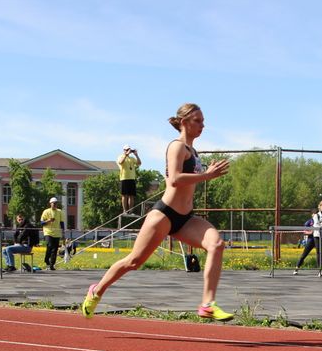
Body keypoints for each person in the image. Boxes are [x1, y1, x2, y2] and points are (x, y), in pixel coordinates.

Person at [81, 102, 233, 321]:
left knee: (217, 244)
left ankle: (207, 304)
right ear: (184, 122)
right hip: (164, 214)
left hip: (185, 218)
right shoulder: (176, 146)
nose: (203, 125)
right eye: (198, 121)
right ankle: (96, 291)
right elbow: (174, 180)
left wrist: (205, 173)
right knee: (134, 261)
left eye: (203, 121)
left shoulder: (193, 151)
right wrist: (207, 175)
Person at [40, 197, 65, 271]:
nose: (55, 204)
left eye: (56, 203)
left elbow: (62, 222)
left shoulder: (60, 212)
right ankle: (46, 259)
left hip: (57, 233)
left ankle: (52, 265)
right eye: (53, 203)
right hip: (48, 232)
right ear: (50, 203)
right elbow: (41, 223)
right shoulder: (46, 211)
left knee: (55, 249)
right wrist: (48, 221)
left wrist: (63, 232)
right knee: (49, 245)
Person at [117, 145, 142, 214]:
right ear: (124, 150)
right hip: (124, 178)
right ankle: (125, 210)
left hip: (132, 178)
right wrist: (126, 155)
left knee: (131, 196)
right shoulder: (120, 157)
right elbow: (121, 162)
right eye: (127, 149)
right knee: (124, 195)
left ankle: (131, 211)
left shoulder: (132, 158)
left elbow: (139, 163)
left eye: (129, 149)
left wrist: (136, 155)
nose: (128, 151)